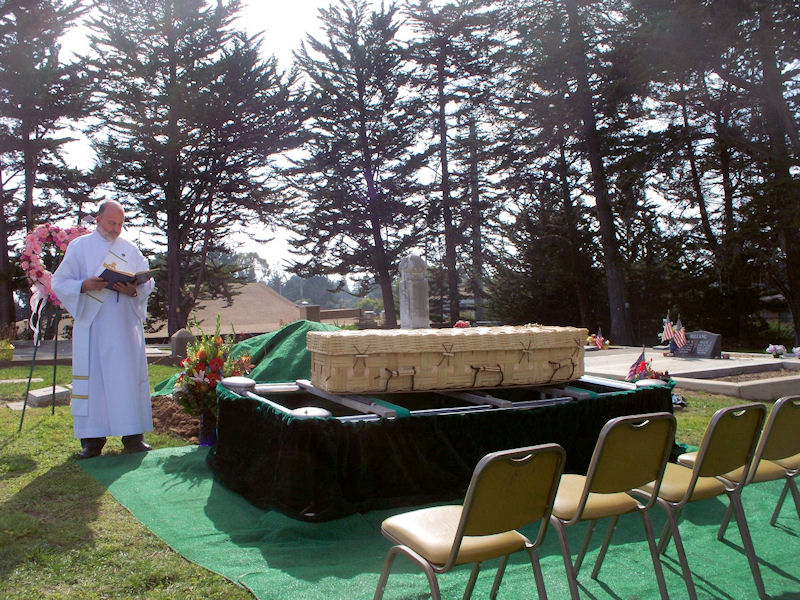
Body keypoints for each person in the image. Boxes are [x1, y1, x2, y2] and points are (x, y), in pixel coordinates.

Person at [52, 201, 155, 459]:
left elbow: (147, 283)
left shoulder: (129, 249)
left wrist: (135, 290)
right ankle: (92, 441)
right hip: (94, 326)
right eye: (112, 222)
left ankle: (133, 436)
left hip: (123, 327)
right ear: (98, 219)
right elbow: (60, 282)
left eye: (120, 224)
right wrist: (84, 285)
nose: (116, 228)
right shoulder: (80, 247)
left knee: (127, 379)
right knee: (95, 381)